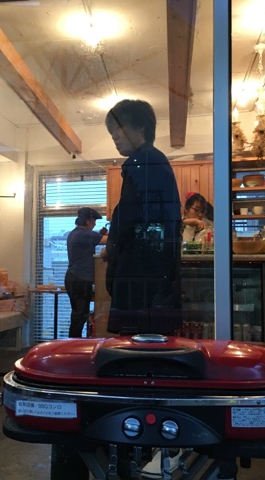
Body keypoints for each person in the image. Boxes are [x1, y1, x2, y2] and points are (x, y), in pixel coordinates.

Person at [104, 98, 182, 335]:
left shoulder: (142, 162)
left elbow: (129, 219)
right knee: (155, 341)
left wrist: (112, 252)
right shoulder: (154, 160)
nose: (114, 135)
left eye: (119, 127)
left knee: (135, 344)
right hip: (156, 274)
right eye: (111, 131)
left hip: (140, 274)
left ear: (140, 126)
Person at [64, 207, 107, 338]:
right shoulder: (85, 234)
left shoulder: (74, 233)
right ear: (88, 221)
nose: (94, 224)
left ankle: (73, 342)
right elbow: (108, 240)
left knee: (78, 314)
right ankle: (73, 343)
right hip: (80, 279)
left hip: (73, 277)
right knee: (80, 315)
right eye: (94, 221)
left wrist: (99, 234)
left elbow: (93, 239)